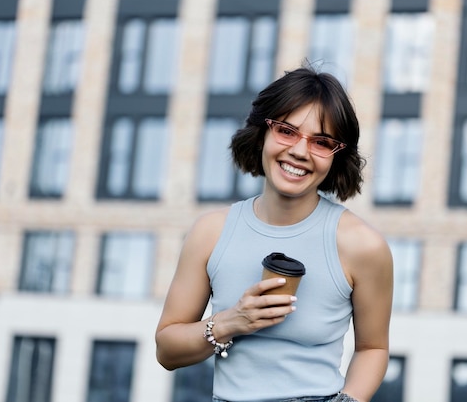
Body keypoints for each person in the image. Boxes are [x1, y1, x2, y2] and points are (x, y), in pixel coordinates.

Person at [156, 64, 393, 402]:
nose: (299, 151)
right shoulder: (210, 232)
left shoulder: (363, 246)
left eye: (322, 142)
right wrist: (229, 322)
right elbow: (167, 349)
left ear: (337, 156)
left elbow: (373, 348)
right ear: (262, 133)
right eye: (286, 131)